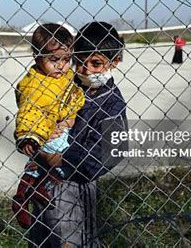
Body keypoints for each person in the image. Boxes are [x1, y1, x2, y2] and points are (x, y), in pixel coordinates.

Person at [29, 21, 128, 247]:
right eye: (79, 62)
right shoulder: (63, 85)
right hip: (42, 181)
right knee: (41, 237)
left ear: (115, 62)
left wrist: (54, 158)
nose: (85, 70)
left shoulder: (112, 105)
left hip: (74, 185)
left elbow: (110, 152)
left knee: (74, 238)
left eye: (96, 64)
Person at [12, 23, 85, 229]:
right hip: (44, 133)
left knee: (47, 165)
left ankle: (30, 190)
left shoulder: (67, 76)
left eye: (66, 59)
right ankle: (28, 191)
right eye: (53, 60)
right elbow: (28, 111)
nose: (61, 65)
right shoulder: (34, 84)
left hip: (62, 128)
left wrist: (71, 117)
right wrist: (29, 136)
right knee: (60, 161)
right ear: (37, 57)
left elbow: (74, 97)